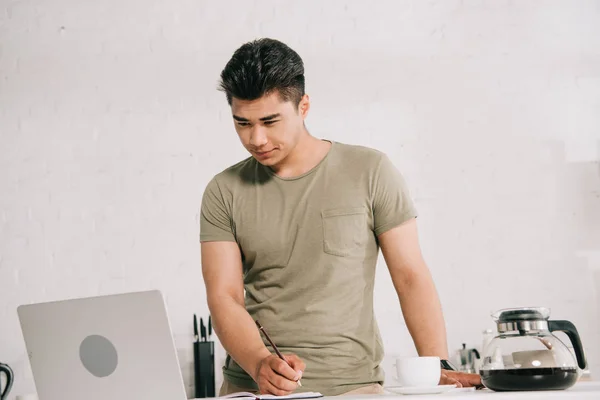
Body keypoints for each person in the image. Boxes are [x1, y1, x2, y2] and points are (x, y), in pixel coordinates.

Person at [199, 38, 481, 396]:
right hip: (252, 389)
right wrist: (258, 362)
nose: (256, 138)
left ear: (303, 106)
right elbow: (223, 296)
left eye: (270, 121)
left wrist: (436, 365)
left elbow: (410, 276)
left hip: (352, 387)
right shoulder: (224, 190)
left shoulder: (370, 171)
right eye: (243, 123)